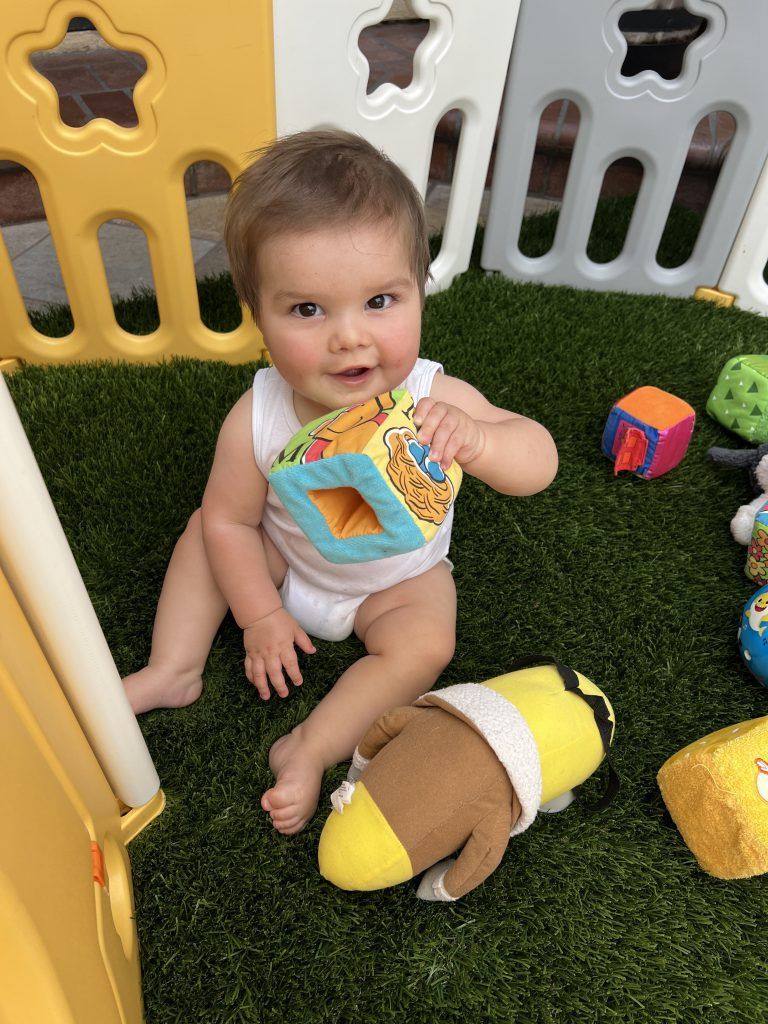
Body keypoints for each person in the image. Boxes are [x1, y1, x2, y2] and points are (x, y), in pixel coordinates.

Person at [123, 129, 558, 834]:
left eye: (380, 301)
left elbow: (538, 459)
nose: (349, 337)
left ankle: (313, 745)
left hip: (396, 581)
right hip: (287, 563)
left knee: (427, 644)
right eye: (307, 310)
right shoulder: (257, 416)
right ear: (258, 319)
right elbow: (230, 520)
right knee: (203, 533)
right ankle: (172, 667)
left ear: (419, 291)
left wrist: (478, 440)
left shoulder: (429, 395)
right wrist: (261, 613)